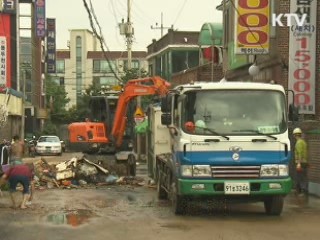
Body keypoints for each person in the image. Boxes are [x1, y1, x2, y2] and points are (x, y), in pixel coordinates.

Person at [293, 127, 308, 197]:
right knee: (303, 177)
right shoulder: (303, 142)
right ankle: (300, 190)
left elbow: (299, 153)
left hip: (300, 162)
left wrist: (298, 163)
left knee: (300, 177)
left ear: (295, 135)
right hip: (304, 162)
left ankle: (302, 191)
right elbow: (305, 153)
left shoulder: (298, 143)